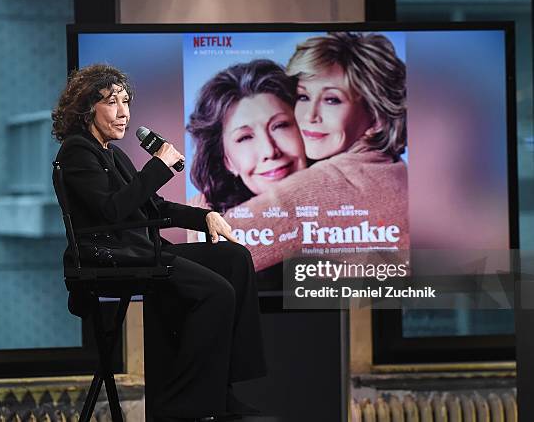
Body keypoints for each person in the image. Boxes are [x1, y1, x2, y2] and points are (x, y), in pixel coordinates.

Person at [51, 64, 266, 422]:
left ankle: (224, 391)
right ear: (89, 108)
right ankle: (189, 406)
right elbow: (113, 210)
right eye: (112, 103)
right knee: (216, 293)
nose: (124, 113)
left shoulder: (111, 153)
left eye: (126, 102)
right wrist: (159, 167)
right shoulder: (77, 152)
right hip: (113, 258)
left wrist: (204, 216)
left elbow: (152, 207)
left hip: (140, 251)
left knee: (234, 258)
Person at [220, 33, 409, 271]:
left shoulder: (332, 183)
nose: (309, 116)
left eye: (332, 100)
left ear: (377, 117)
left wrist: (200, 201)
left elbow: (213, 251)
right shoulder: (393, 169)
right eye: (303, 96)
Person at [187, 59, 307, 213]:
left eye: (280, 126)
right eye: (245, 137)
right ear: (227, 161)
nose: (269, 151)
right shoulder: (201, 223)